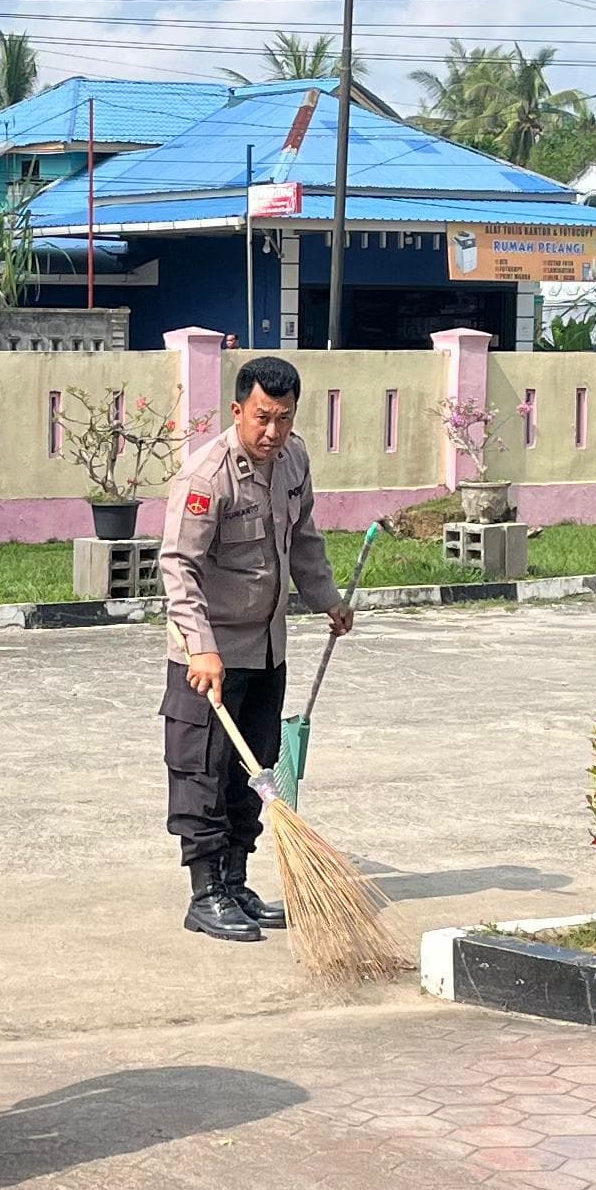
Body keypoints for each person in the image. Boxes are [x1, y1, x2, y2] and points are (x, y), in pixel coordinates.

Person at [158, 356, 349, 942]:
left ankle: (236, 881)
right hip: (210, 659)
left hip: (268, 648)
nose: (272, 432)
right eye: (261, 418)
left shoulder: (294, 460)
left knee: (254, 769)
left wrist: (327, 598)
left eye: (283, 419)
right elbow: (178, 566)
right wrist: (199, 649)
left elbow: (305, 537)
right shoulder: (206, 477)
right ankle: (205, 892)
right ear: (238, 409)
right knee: (203, 773)